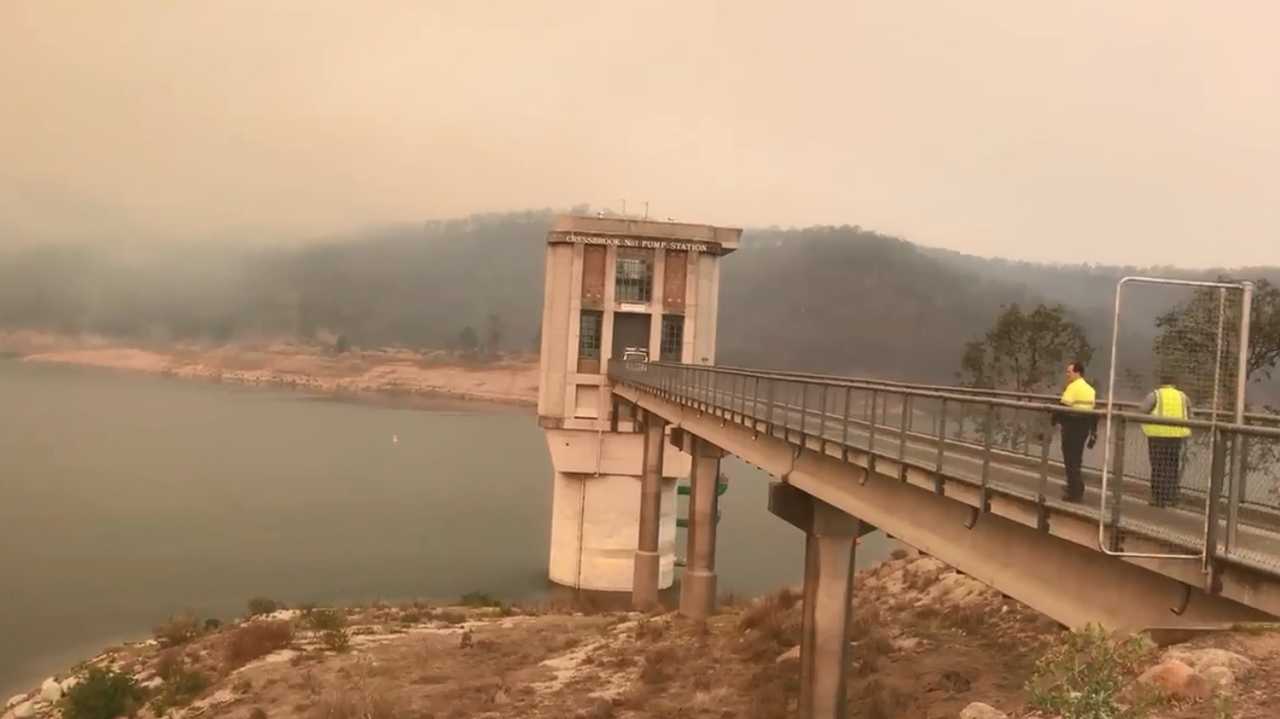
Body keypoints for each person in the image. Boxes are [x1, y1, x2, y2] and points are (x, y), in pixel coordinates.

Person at [1139, 375, 1191, 507]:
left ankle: (1158, 498)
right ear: (1174, 384)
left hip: (1157, 436)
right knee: (1172, 466)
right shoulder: (1183, 397)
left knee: (1158, 467)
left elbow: (1142, 411)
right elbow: (1191, 414)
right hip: (1176, 437)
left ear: (1161, 383)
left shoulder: (1155, 395)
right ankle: (1172, 496)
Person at [1053, 360, 1096, 502]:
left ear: (1077, 372)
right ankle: (1077, 486)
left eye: (1069, 372)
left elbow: (1062, 406)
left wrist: (1052, 421)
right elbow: (1093, 412)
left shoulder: (1072, 387)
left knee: (1069, 459)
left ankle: (1074, 492)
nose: (1067, 374)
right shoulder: (1090, 389)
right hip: (1084, 427)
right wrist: (1093, 432)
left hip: (1071, 426)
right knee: (1077, 458)